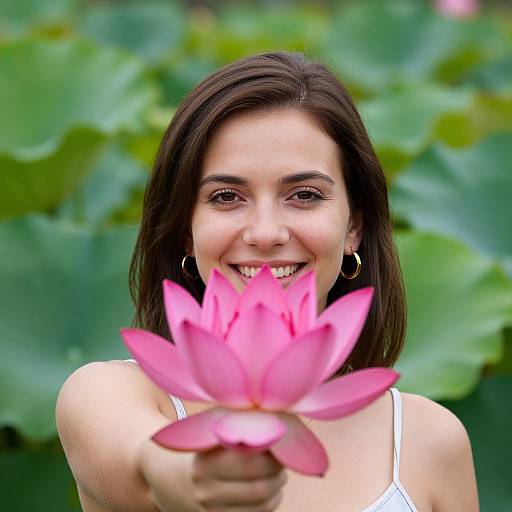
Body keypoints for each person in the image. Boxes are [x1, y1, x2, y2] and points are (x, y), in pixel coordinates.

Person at [56, 51, 479, 512]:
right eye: (225, 197)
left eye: (303, 195)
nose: (265, 233)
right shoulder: (106, 396)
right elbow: (146, 464)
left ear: (354, 225)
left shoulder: (431, 440)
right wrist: (185, 474)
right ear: (185, 229)